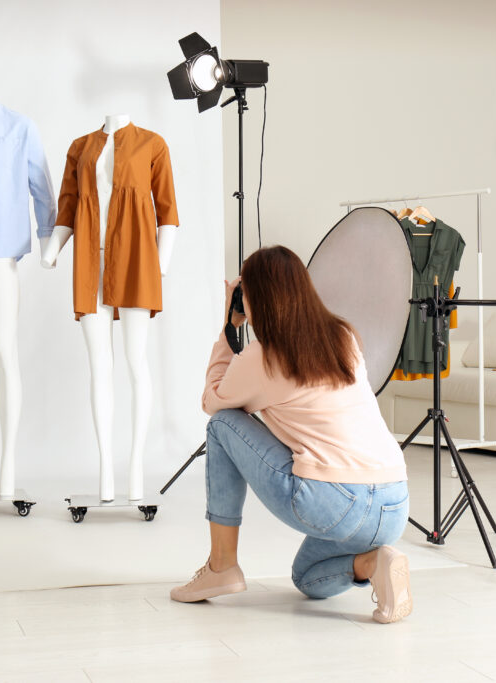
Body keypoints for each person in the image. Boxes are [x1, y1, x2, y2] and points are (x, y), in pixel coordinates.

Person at [170, 245, 412, 624]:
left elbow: (212, 401)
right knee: (309, 578)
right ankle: (375, 562)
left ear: (255, 299)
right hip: (394, 503)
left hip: (335, 502)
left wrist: (228, 329)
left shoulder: (263, 356)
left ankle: (222, 566)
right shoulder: (343, 337)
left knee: (221, 425)